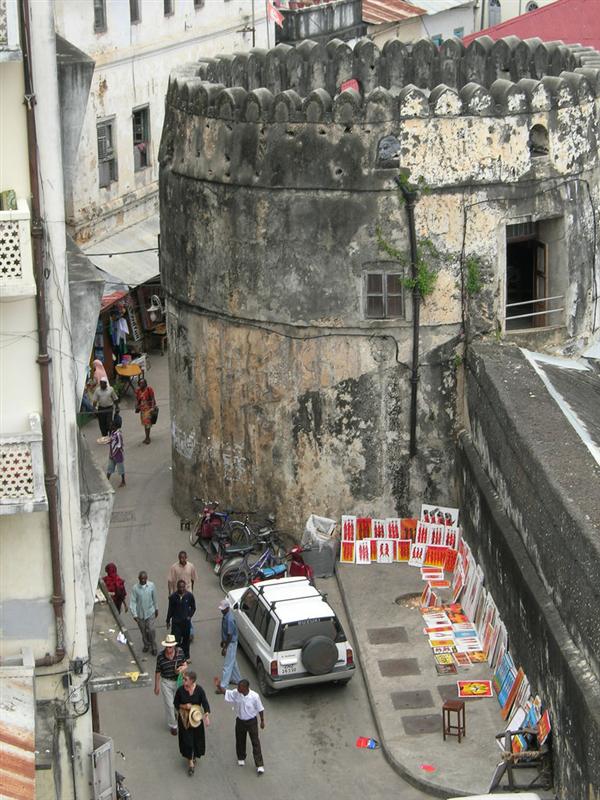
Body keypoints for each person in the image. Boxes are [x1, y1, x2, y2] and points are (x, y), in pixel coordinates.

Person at [214, 678, 265, 775]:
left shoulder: (254, 696)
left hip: (251, 722)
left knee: (255, 742)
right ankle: (241, 757)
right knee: (240, 740)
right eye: (238, 686)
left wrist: (262, 721)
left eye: (240, 687)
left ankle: (259, 765)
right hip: (240, 721)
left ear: (246, 688)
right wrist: (218, 686)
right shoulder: (236, 693)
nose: (237, 688)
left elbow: (260, 709)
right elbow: (225, 692)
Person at [173, 671, 210, 776]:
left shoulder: (199, 690)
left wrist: (207, 715)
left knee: (197, 739)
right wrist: (184, 706)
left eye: (186, 679)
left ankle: (194, 755)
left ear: (192, 681)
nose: (183, 681)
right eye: (184, 679)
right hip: (185, 720)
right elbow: (176, 703)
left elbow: (205, 703)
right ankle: (190, 763)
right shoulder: (180, 691)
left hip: (196, 718)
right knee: (187, 741)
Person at [154, 633, 189, 736]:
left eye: (171, 647)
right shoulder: (160, 657)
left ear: (174, 646)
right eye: (167, 647)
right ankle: (173, 725)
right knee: (169, 705)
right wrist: (156, 686)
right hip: (166, 682)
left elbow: (185, 664)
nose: (169, 649)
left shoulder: (180, 652)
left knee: (179, 703)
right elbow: (158, 671)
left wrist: (182, 668)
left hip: (178, 681)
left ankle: (181, 718)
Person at [168, 551, 198, 643]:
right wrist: (170, 593)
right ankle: (178, 632)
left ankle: (190, 632)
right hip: (177, 594)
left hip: (187, 593)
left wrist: (191, 591)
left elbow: (193, 579)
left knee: (188, 613)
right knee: (177, 613)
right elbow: (170, 581)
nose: (182, 559)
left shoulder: (191, 567)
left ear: (186, 557)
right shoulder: (174, 568)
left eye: (183, 558)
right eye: (180, 558)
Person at [129, 571, 158, 655]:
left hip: (150, 611)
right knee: (143, 631)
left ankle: (153, 646)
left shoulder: (151, 586)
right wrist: (134, 615)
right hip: (140, 614)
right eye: (141, 579)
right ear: (139, 579)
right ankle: (146, 644)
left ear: (147, 578)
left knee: (151, 629)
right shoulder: (135, 588)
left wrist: (156, 608)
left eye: (144, 578)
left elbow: (155, 598)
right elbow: (133, 602)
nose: (143, 580)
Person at [166, 580, 196, 660]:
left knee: (186, 640)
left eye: (183, 587)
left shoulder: (189, 596)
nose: (181, 589)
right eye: (180, 587)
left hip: (186, 623)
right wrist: (168, 620)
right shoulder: (173, 597)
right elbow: (170, 609)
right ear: (177, 587)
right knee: (176, 640)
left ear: (185, 587)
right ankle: (176, 656)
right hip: (176, 623)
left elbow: (193, 607)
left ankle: (186, 656)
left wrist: (189, 616)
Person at [218, 599, 242, 690]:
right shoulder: (226, 616)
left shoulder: (229, 619)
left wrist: (225, 647)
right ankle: (237, 679)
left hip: (230, 643)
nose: (221, 610)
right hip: (229, 642)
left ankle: (223, 686)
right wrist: (222, 641)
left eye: (223, 609)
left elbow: (230, 635)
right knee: (232, 662)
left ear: (227, 608)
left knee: (227, 665)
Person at [135, 378, 156, 445]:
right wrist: (137, 407)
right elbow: (138, 400)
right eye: (140, 383)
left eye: (142, 383)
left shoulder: (149, 389)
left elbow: (152, 399)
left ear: (145, 384)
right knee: (145, 424)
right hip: (142, 409)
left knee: (147, 424)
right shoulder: (138, 391)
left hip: (148, 409)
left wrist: (152, 407)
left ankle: (147, 438)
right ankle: (147, 436)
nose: (141, 384)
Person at [106, 418, 126, 487]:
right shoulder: (112, 433)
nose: (110, 427)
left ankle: (123, 481)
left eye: (111, 426)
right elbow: (111, 441)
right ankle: (106, 481)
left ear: (115, 426)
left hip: (118, 454)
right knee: (110, 468)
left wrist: (113, 454)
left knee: (120, 468)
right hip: (111, 453)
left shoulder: (118, 434)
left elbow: (119, 445)